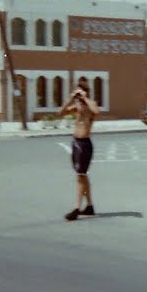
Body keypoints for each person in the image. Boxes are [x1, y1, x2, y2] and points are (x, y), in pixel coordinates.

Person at [60, 76, 100, 221]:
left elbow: (96, 111)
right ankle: (89, 206)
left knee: (81, 175)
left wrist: (85, 98)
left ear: (86, 92)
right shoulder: (76, 107)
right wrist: (70, 98)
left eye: (81, 92)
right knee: (82, 175)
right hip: (76, 142)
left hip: (85, 143)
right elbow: (61, 112)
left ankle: (77, 208)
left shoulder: (91, 105)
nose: (79, 95)